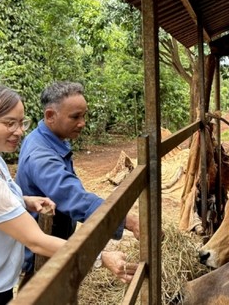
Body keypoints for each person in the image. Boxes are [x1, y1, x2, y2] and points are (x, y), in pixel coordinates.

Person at [0, 83, 134, 305]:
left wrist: (24, 200)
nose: (19, 131)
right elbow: (36, 241)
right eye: (9, 123)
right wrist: (101, 257)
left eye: (21, 123)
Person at [16, 81, 140, 284]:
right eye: (75, 117)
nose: (82, 122)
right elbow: (73, 197)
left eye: (84, 115)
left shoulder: (52, 139)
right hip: (41, 257)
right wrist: (126, 219)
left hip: (55, 246)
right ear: (50, 116)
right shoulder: (41, 156)